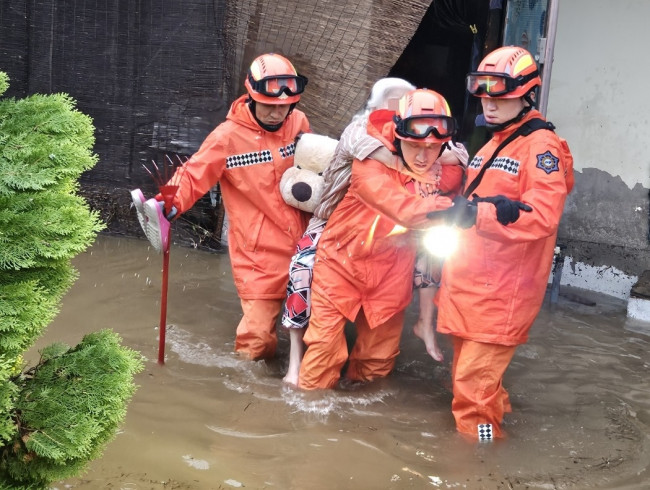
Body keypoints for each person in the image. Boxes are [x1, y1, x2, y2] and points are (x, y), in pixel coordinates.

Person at [281, 79, 468, 385]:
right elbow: (395, 203)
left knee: (377, 365)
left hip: (393, 269)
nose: (423, 156)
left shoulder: (446, 164)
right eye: (416, 145)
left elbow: (461, 168)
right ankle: (298, 378)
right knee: (321, 358)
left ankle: (424, 327)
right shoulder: (367, 154)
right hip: (342, 262)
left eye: (432, 148)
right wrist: (450, 211)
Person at [435, 46, 575, 441]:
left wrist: (479, 213)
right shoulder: (496, 141)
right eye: (484, 95)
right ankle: (493, 437)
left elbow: (542, 216)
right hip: (473, 287)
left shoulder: (540, 146)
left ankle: (482, 460)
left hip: (500, 294)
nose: (490, 105)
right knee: (475, 384)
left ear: (526, 94)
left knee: (472, 399)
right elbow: (475, 195)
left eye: (502, 97)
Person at [135, 53, 311, 361]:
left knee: (318, 330)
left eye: (283, 107)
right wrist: (168, 203)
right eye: (269, 106)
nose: (276, 113)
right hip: (259, 252)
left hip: (305, 243)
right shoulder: (226, 137)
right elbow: (193, 173)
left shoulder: (298, 123)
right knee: (256, 339)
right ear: (252, 97)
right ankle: (249, 389)